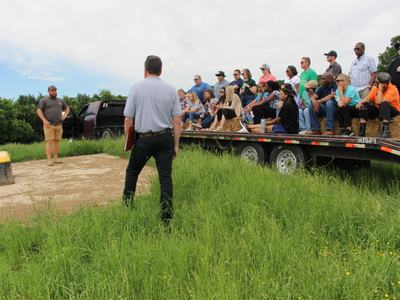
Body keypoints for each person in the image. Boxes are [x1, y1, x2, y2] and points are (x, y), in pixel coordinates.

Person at [123, 55, 182, 226]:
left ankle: (127, 208)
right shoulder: (171, 90)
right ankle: (166, 219)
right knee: (165, 178)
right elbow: (177, 120)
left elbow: (128, 119)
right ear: (161, 70)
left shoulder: (136, 88)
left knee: (132, 172)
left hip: (144, 140)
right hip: (165, 138)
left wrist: (130, 140)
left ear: (145, 70)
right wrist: (176, 145)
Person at [357, 72, 400, 138]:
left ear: (384, 83)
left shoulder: (393, 89)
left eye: (378, 83)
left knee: (384, 104)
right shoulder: (376, 88)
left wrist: (380, 88)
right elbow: (367, 98)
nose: (376, 84)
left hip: (393, 111)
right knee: (365, 105)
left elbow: (380, 101)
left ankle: (386, 131)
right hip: (380, 110)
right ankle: (362, 130)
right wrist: (360, 102)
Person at [36, 85, 70, 166]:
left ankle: (56, 159)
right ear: (49, 91)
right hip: (49, 125)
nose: (54, 92)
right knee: (49, 142)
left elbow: (67, 108)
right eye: (52, 90)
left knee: (57, 142)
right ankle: (49, 160)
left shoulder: (60, 100)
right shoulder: (44, 100)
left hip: (59, 124)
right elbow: (38, 110)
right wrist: (44, 121)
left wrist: (64, 116)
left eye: (55, 90)